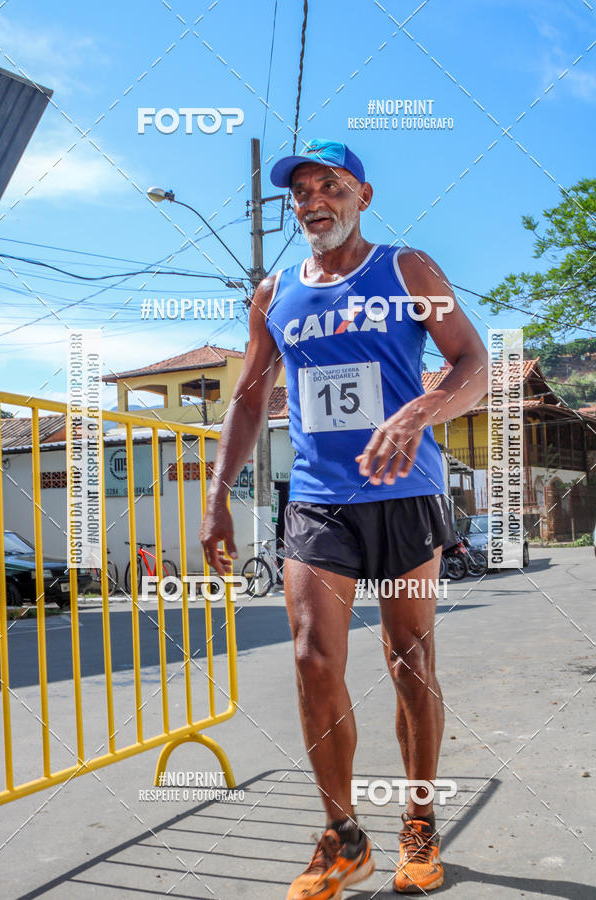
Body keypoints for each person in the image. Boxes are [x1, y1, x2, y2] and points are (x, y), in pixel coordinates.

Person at [200, 139, 488, 897]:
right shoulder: (272, 294)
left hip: (402, 493)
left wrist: (421, 412)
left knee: (408, 660)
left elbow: (473, 364)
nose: (312, 201)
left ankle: (418, 821)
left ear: (362, 195)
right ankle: (342, 836)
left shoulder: (406, 269)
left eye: (328, 186)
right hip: (321, 497)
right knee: (311, 659)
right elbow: (251, 397)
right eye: (300, 192)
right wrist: (218, 492)